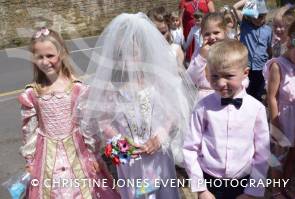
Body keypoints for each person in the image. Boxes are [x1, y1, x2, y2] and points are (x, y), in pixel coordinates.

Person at [80, 13, 196, 199]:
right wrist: (121, 142)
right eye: (122, 54)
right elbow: (103, 121)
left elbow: (171, 113)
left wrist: (160, 136)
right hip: (130, 157)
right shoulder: (112, 87)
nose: (129, 59)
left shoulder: (155, 80)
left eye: (133, 52)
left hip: (157, 152)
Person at [18, 28, 120, 198]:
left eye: (50, 56)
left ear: (62, 54)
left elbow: (87, 125)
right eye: (40, 57)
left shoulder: (77, 89)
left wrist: (94, 155)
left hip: (78, 154)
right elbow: (29, 131)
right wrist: (29, 160)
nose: (45, 62)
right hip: (46, 160)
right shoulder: (32, 93)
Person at [183, 39, 270, 199]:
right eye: (215, 76)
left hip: (243, 181)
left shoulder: (256, 108)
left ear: (245, 73)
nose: (221, 83)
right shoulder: (202, 107)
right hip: (210, 180)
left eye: (229, 76)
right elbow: (190, 148)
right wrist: (201, 189)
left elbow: (262, 153)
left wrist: (252, 192)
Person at [263, 18, 295, 199]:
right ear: (289, 40)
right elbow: (272, 96)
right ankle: (276, 189)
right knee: (278, 156)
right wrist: (275, 121)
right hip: (283, 117)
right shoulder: (278, 65)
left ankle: (285, 184)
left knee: (294, 155)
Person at [234, 0, 272, 102]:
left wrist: (270, 61)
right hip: (246, 66)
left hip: (261, 67)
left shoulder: (268, 29)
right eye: (255, 17)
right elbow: (235, 7)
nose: (258, 20)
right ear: (250, 16)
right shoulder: (245, 25)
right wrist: (248, 1)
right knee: (244, 90)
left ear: (265, 15)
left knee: (257, 93)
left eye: (261, 17)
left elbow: (269, 48)